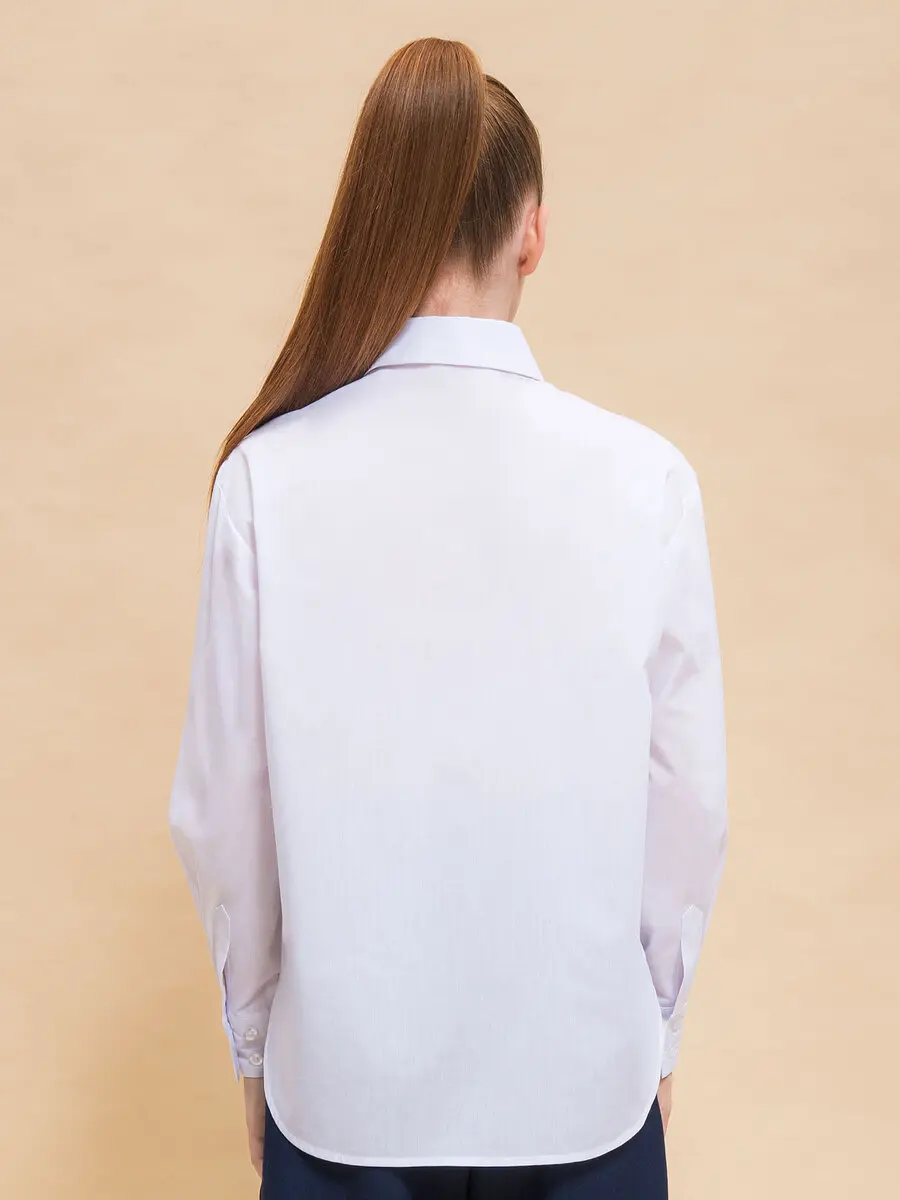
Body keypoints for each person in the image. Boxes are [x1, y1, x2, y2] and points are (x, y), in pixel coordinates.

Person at [168, 36, 728, 1200]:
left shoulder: (267, 480)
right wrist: (657, 1032)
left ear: (380, 217)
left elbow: (224, 814)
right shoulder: (649, 481)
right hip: (587, 1095)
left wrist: (256, 1050)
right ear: (533, 231)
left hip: (344, 1105)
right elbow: (687, 804)